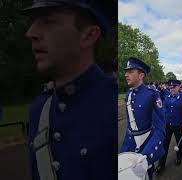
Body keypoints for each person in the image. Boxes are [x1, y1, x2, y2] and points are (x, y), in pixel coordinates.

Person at [23, 0, 117, 180]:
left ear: (89, 36)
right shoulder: (39, 109)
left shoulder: (111, 105)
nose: (31, 33)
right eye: (33, 22)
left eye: (48, 21)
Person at [120, 57, 165, 180]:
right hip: (129, 147)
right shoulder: (128, 95)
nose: (126, 75)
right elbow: (130, 127)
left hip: (145, 147)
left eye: (130, 71)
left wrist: (145, 156)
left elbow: (160, 130)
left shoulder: (152, 94)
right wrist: (122, 152)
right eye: (126, 71)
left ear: (141, 75)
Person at [156, 79, 182, 174]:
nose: (172, 89)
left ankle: (179, 157)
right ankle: (161, 164)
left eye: (174, 87)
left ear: (179, 87)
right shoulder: (166, 97)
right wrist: (161, 123)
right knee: (164, 145)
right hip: (167, 126)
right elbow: (163, 111)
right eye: (170, 87)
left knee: (180, 144)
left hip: (179, 126)